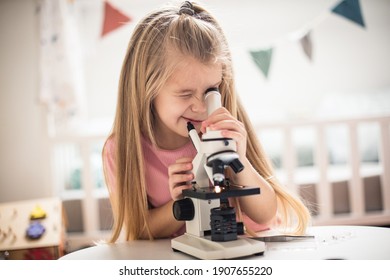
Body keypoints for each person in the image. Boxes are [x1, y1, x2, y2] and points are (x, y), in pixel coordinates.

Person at [102, 1, 311, 242]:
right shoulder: (122, 151)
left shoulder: (224, 128)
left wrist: (239, 161)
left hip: (253, 244)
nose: (200, 108)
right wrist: (182, 202)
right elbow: (138, 230)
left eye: (211, 90)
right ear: (146, 89)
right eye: (185, 94)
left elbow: (266, 214)